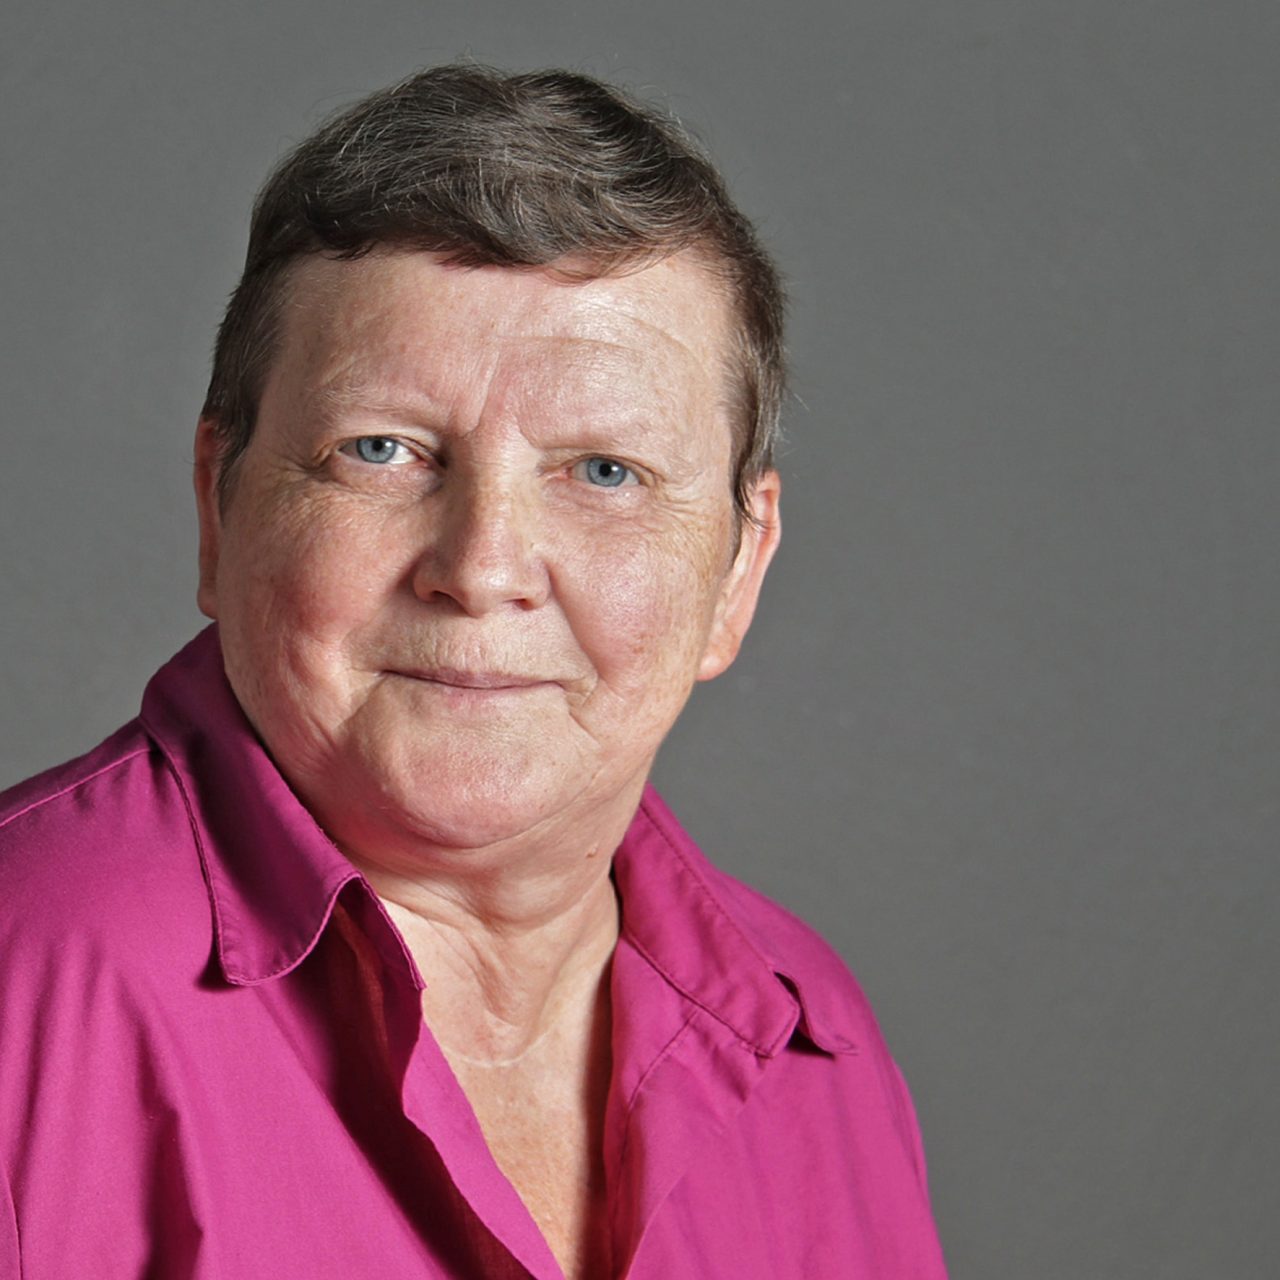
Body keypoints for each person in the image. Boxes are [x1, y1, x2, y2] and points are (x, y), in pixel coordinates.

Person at [0, 65, 947, 1279]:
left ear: (737, 569)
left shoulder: (815, 1050)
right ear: (218, 509)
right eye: (381, 450)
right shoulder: (25, 1000)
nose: (481, 566)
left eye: (603, 471)